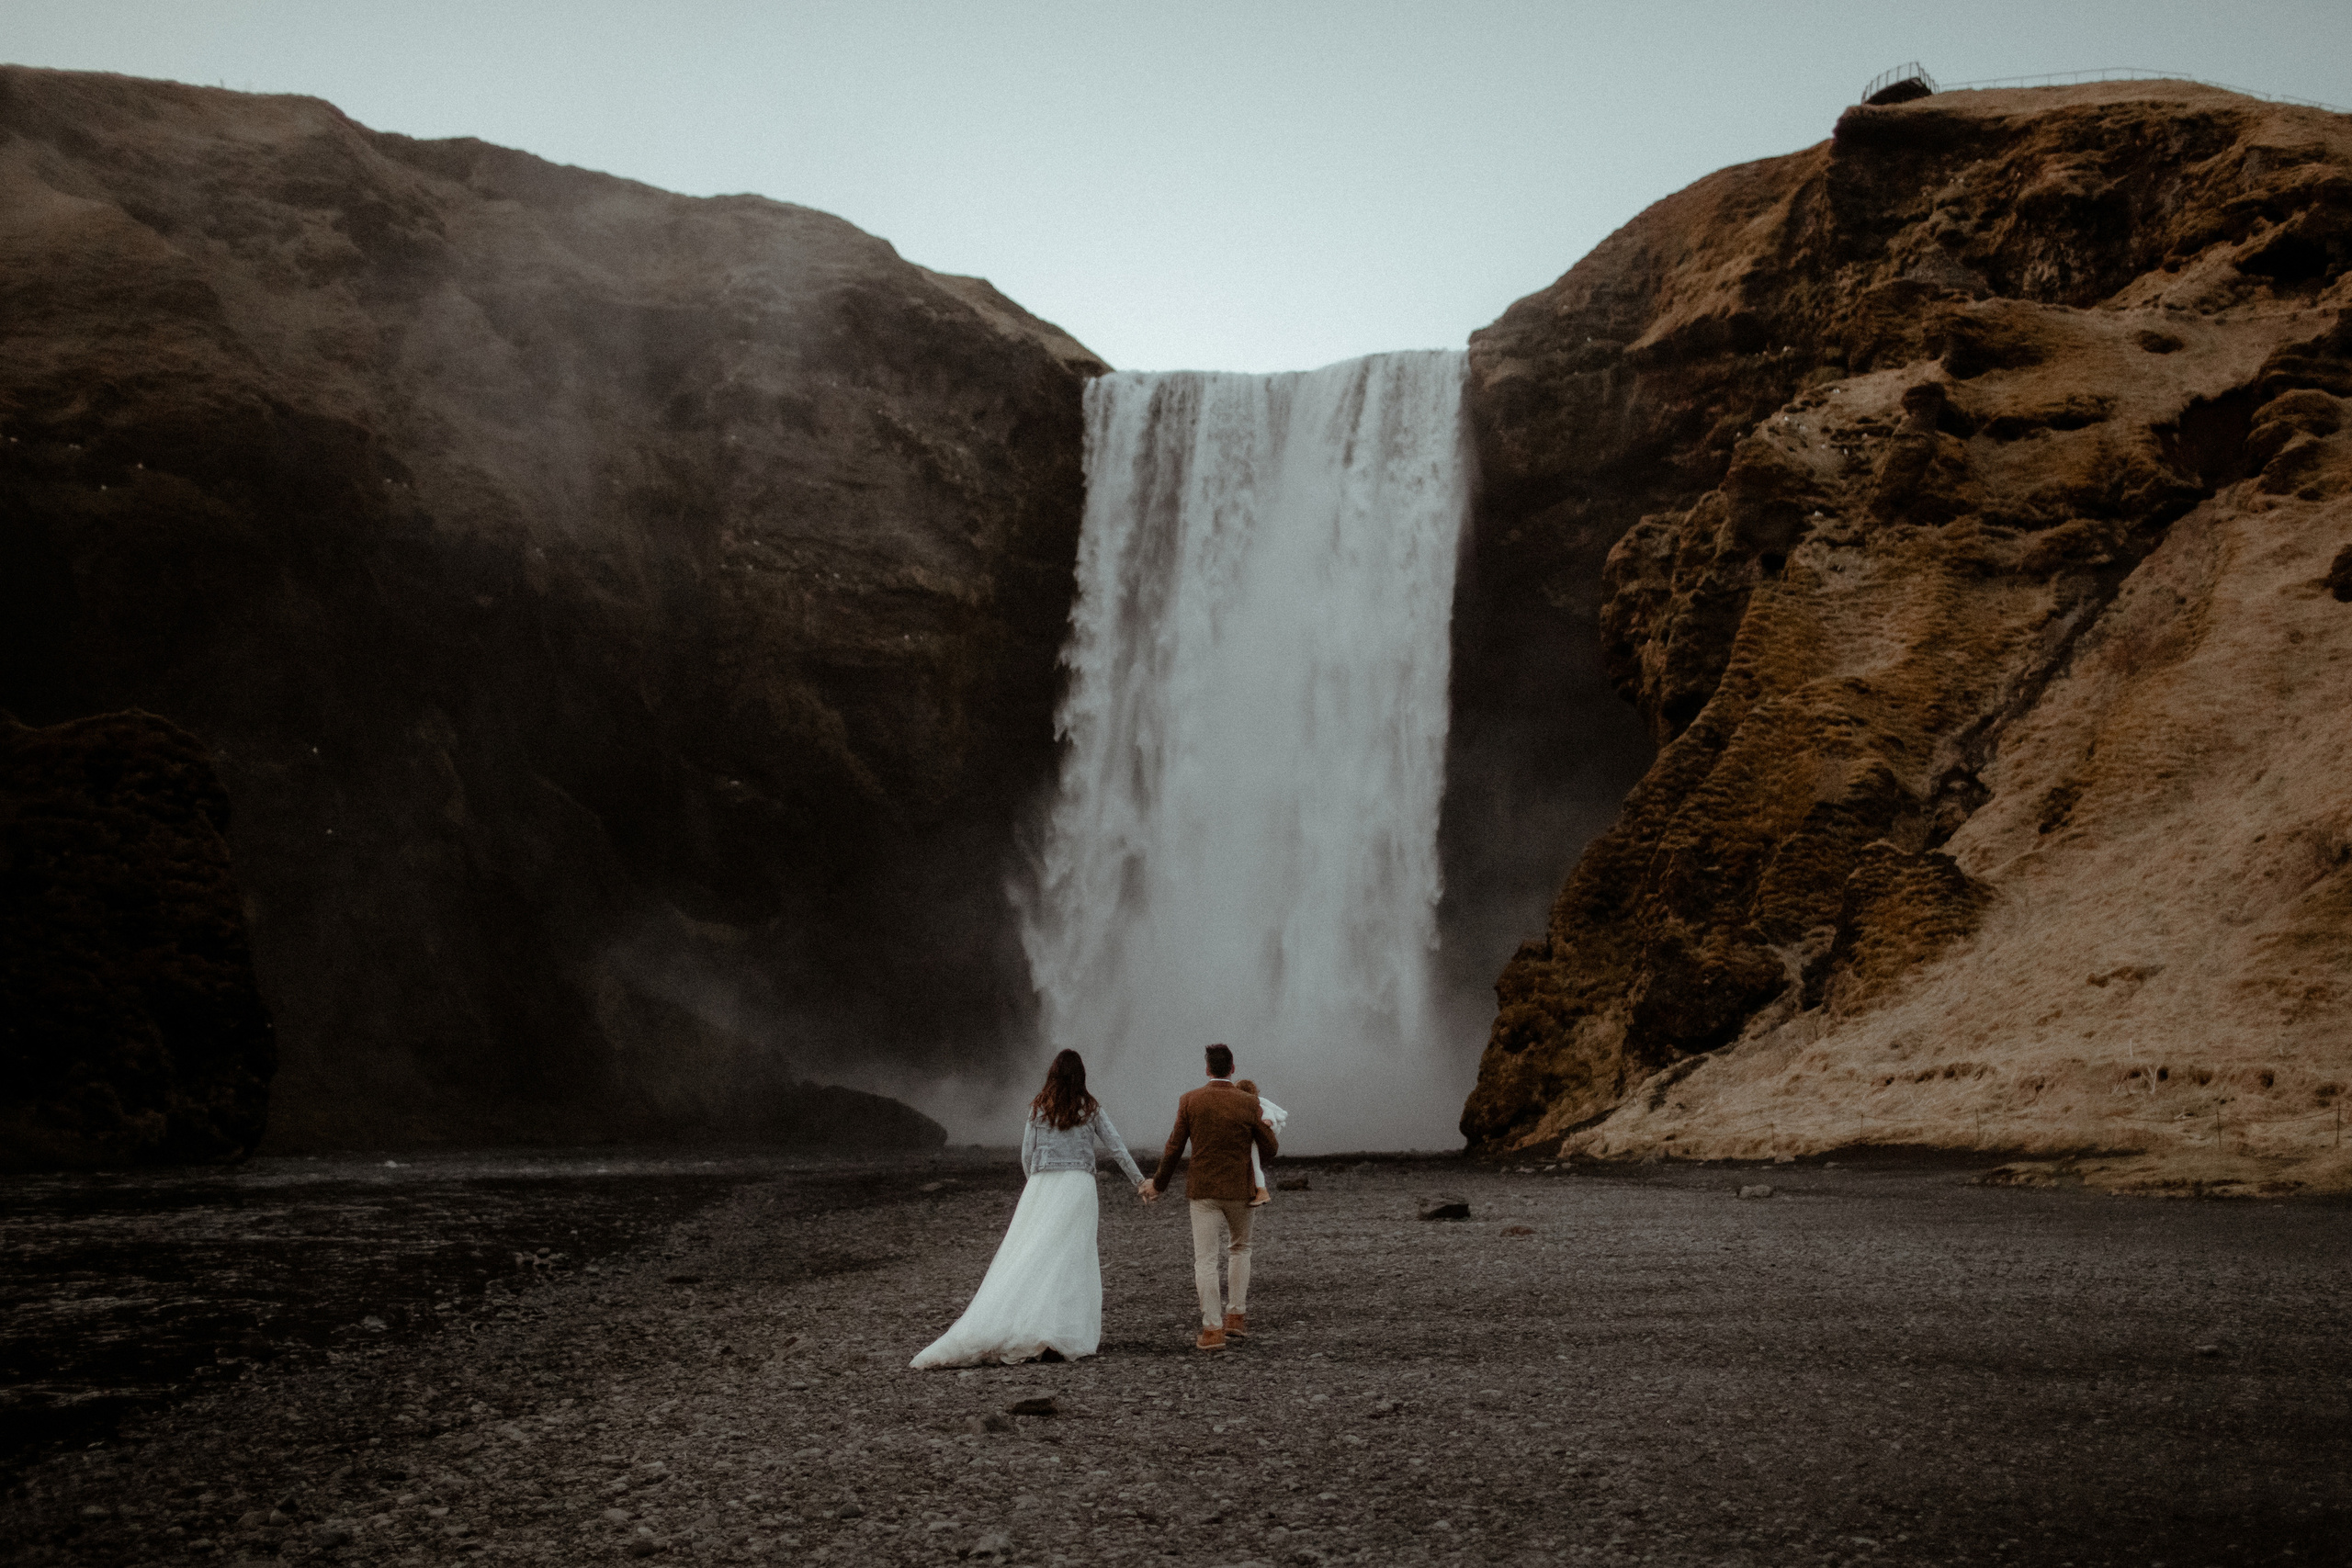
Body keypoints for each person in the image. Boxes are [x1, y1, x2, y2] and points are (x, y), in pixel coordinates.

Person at [910, 1049, 1151, 1368]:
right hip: (1078, 1186)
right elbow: (1117, 1146)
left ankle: (1024, 1325)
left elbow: (1027, 1153)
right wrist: (1140, 1181)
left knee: (1031, 1253)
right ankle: (1059, 1331)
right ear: (1081, 1077)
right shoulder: (1090, 1108)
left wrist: (1035, 1186)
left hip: (1043, 1184)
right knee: (1072, 1258)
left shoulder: (1039, 1107)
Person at [1144, 1043, 1277, 1351]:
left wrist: (1158, 1185)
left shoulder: (1190, 1101)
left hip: (1203, 1191)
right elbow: (1270, 1149)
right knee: (1240, 1249)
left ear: (1207, 1069)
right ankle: (1237, 1319)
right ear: (1232, 1069)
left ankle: (1213, 1331)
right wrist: (1265, 1128)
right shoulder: (1249, 1102)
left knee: (1205, 1260)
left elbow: (1174, 1148)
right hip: (1240, 1191)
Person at [1233, 1078, 1288, 1206]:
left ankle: (1261, 1190)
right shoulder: (1256, 1104)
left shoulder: (1255, 1106)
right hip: (1252, 1139)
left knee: (1253, 1164)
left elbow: (1268, 1115)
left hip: (1250, 1140)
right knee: (1254, 1164)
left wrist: (1267, 1122)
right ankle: (1259, 1190)